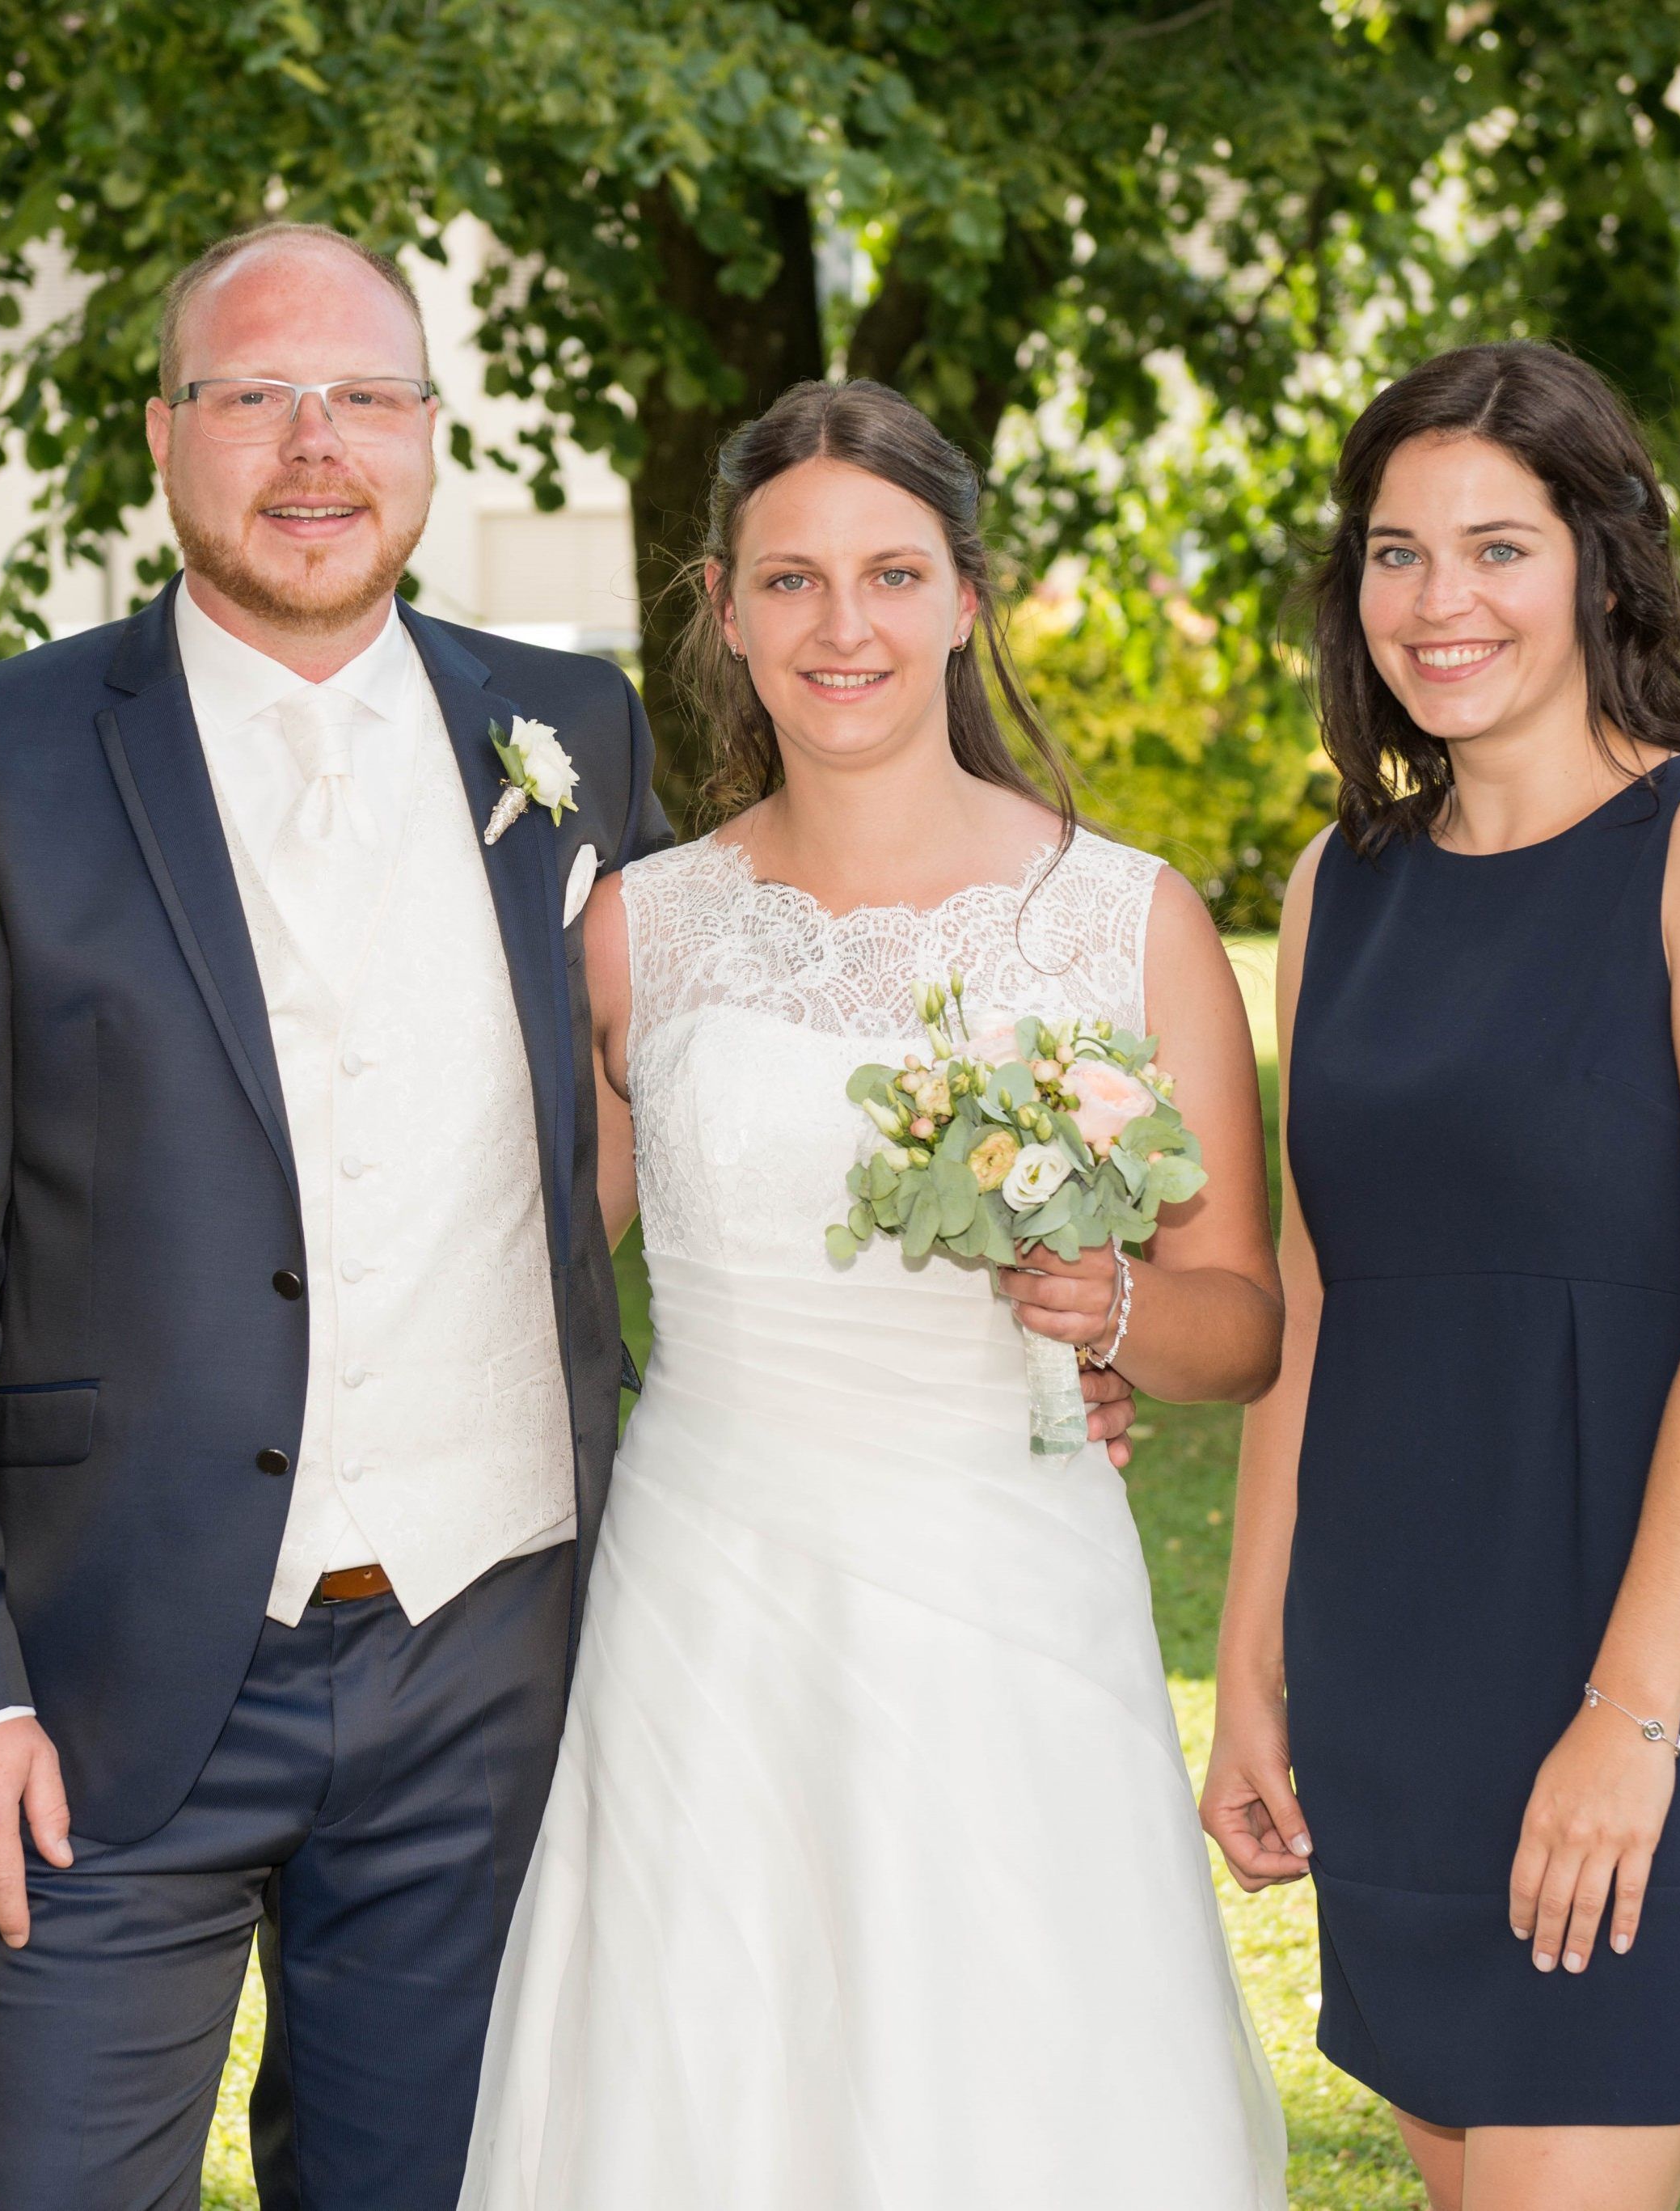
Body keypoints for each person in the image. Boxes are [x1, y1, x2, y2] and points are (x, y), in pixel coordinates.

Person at [0, 231, 1145, 2209]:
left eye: (361, 397)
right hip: (97, 1672)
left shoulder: (564, 733)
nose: (310, 444)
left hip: (495, 1674)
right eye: (252, 396)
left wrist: (1016, 1345)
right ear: (164, 435)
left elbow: (694, 1129)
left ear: (429, 439)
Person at [460, 378, 1289, 2209]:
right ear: (722, 606)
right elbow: (527, 1272)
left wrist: (1112, 1312)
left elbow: (1240, 1314)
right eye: (793, 580)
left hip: (1006, 1590)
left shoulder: (1117, 916)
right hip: (706, 1599)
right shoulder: (637, 925)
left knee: (1010, 2084)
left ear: (966, 599)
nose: (845, 627)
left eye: (894, 574)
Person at [1200, 341, 1680, 2211]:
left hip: (1645, 1644)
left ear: (1595, 563)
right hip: (1397, 1651)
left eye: (1495, 545)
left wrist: (1624, 1711)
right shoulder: (1339, 881)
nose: (1436, 599)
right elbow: (1317, 1304)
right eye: (1393, 552)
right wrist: (1251, 1665)